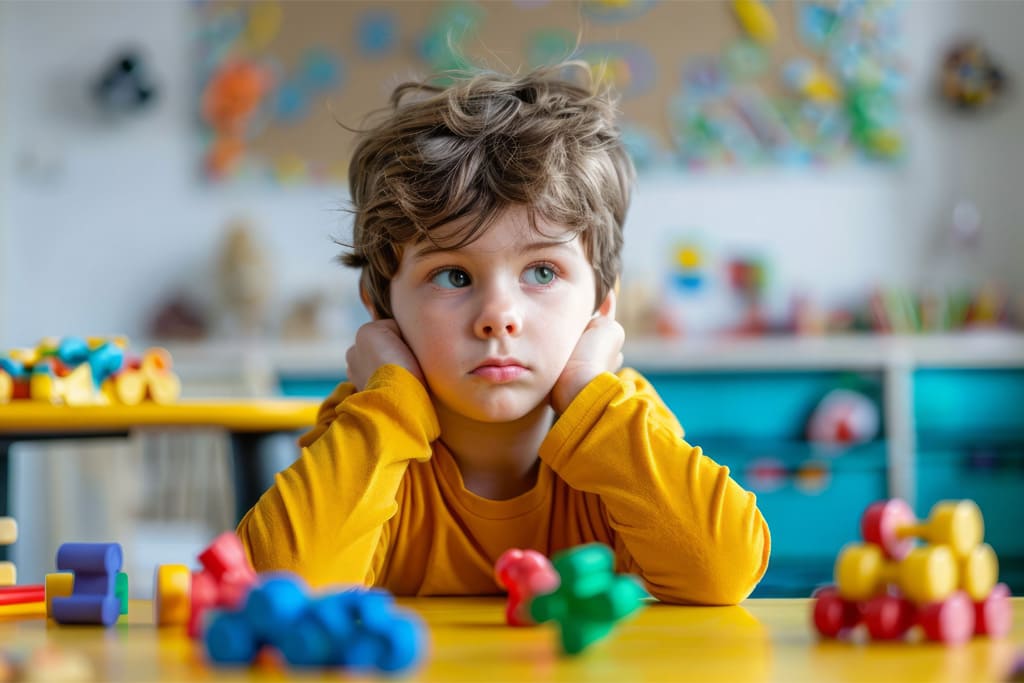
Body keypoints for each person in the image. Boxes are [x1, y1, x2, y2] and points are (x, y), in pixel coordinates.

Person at [238, 61, 770, 605]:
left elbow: (723, 571)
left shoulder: (618, 425)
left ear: (600, 307)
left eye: (542, 272)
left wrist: (587, 391)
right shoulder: (370, 426)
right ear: (381, 311)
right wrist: (389, 400)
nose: (498, 315)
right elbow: (282, 591)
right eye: (453, 275)